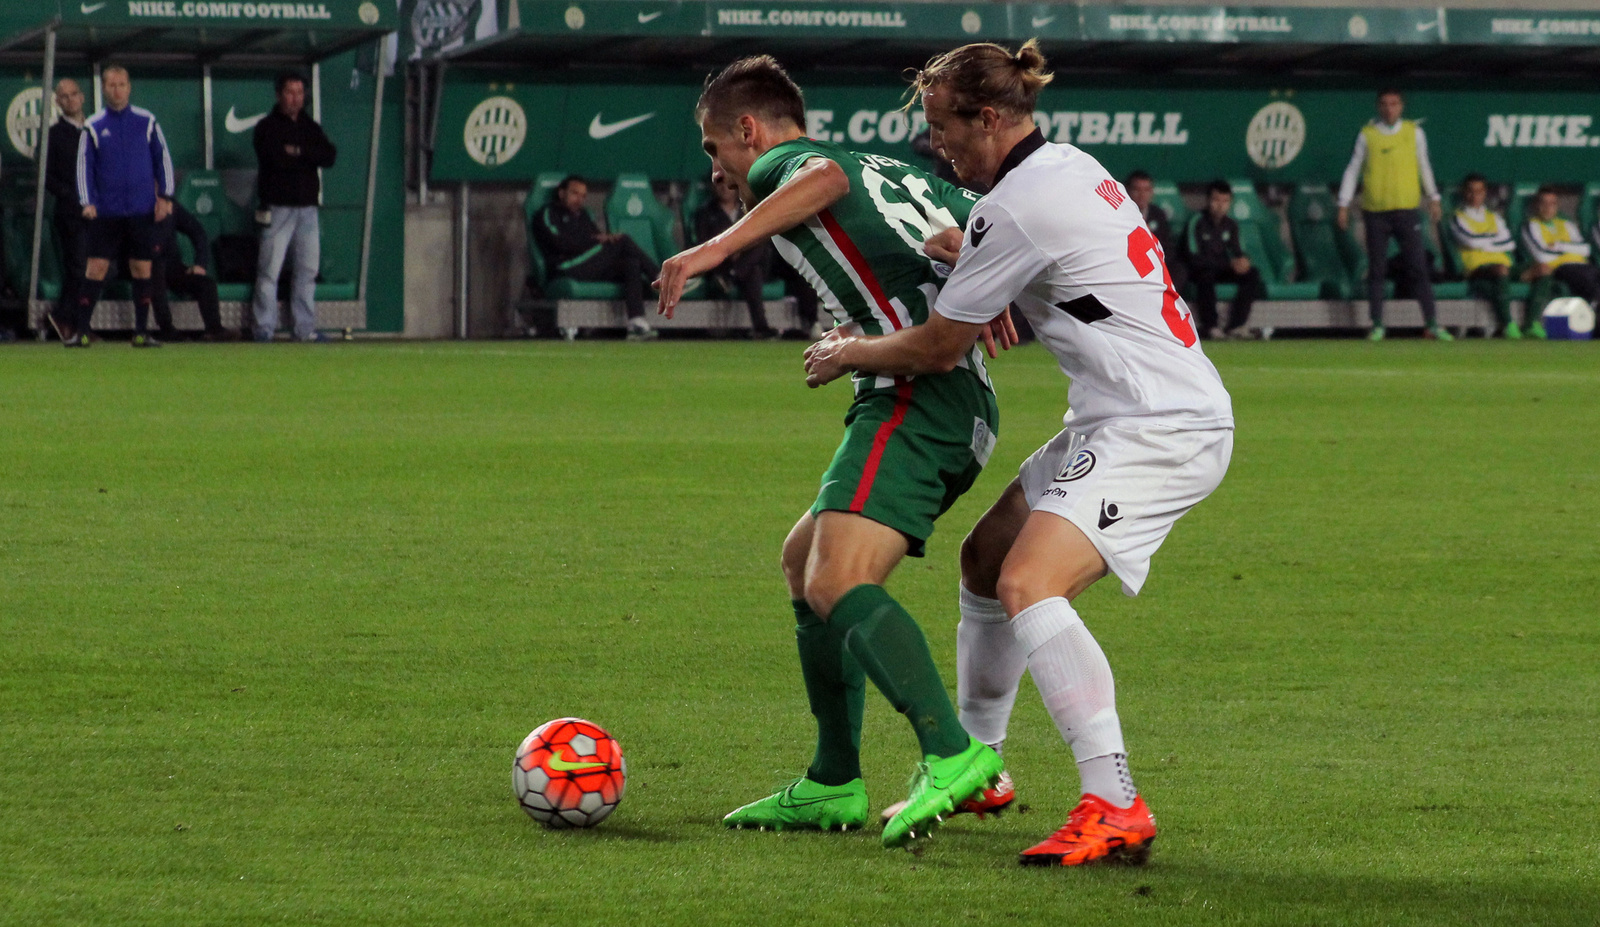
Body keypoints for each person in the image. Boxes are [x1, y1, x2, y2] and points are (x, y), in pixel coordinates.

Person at [805, 39, 1234, 868]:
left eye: (943, 128)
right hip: (1120, 413)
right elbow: (1077, 272)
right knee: (986, 557)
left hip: (1161, 424)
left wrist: (848, 352)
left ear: (990, 118)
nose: (936, 146)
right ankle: (980, 764)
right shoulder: (1066, 169)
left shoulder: (1013, 207)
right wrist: (973, 257)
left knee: (1028, 581)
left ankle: (1114, 800)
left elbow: (935, 349)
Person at [654, 54, 1014, 848]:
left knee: (837, 575)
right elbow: (984, 230)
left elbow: (819, 181)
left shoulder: (790, 160)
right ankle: (832, 779)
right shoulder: (891, 165)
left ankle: (955, 752)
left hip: (921, 394)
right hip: (949, 396)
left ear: (748, 130)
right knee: (803, 557)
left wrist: (710, 250)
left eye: (718, 151)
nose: (722, 169)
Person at [71, 65, 175, 349]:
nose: (117, 90)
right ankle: (81, 331)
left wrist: (165, 197)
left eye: (122, 85)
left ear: (129, 88)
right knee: (96, 268)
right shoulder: (93, 125)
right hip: (106, 212)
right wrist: (87, 202)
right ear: (104, 89)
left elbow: (162, 159)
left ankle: (141, 332)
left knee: (142, 269)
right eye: (111, 85)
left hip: (141, 211)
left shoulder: (147, 121)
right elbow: (84, 167)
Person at [1337, 89, 1449, 341]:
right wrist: (1343, 204)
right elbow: (1353, 169)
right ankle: (1377, 323)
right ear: (1378, 107)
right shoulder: (1368, 135)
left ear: (1401, 106)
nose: (1389, 109)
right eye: (1385, 104)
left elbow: (1424, 164)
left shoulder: (1414, 132)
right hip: (1376, 212)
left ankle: (1432, 322)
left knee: (1418, 267)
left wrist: (1434, 198)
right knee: (1377, 270)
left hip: (1407, 211)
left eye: (1394, 104)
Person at [252, 71, 336, 343]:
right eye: (290, 92)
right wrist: (306, 155)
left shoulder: (310, 127)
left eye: (300, 93)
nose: (295, 98)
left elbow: (329, 155)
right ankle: (264, 328)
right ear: (279, 94)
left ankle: (304, 329)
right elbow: (276, 159)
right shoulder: (267, 127)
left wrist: (298, 151)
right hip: (278, 208)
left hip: (308, 209)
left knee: (307, 271)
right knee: (269, 271)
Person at [531, 176, 659, 341]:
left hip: (587, 265)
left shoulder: (584, 215)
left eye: (583, 196)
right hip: (565, 267)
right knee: (623, 241)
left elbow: (595, 239)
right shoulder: (548, 213)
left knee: (631, 263)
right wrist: (596, 241)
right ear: (562, 193)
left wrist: (601, 240)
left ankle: (636, 322)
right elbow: (560, 243)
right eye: (575, 194)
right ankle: (659, 277)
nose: (579, 199)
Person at [692, 180, 777, 339]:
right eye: (719, 183)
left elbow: (758, 239)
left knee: (758, 254)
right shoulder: (704, 213)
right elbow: (702, 246)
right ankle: (761, 327)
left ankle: (733, 276)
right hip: (719, 268)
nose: (724, 188)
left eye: (727, 182)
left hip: (744, 264)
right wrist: (726, 249)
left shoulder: (749, 210)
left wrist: (738, 249)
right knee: (752, 272)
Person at [1449, 174, 1525, 338]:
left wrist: (1483, 239)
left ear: (1484, 193)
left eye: (1479, 191)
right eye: (1470, 191)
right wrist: (1493, 239)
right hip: (1476, 268)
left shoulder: (1494, 217)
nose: (1474, 195)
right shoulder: (1458, 217)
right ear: (1464, 193)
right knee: (1501, 271)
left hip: (1502, 266)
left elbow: (1509, 243)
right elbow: (1471, 241)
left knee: (1542, 269)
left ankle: (1533, 323)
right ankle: (1508, 324)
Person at [1185, 179, 1262, 340]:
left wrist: (1243, 261)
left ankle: (1236, 325)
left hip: (1223, 269)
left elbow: (1239, 251)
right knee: (1205, 276)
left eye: (1225, 201)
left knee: (1252, 274)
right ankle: (1211, 326)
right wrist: (1228, 264)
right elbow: (1193, 257)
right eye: (1216, 200)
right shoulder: (1196, 222)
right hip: (1200, 270)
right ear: (1208, 200)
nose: (1220, 205)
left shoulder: (1231, 225)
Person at [148, 201, 235, 342]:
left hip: (172, 267)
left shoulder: (171, 206)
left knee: (206, 284)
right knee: (156, 273)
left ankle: (214, 330)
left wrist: (200, 263)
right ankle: (166, 329)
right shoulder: (135, 207)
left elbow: (197, 231)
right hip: (142, 267)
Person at [44, 78, 88, 344]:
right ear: (58, 102)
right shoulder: (53, 135)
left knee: (105, 267)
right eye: (64, 96)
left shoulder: (95, 129)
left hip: (102, 213)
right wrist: (72, 197)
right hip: (71, 214)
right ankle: (66, 318)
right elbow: (46, 177)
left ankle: (76, 320)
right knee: (78, 268)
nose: (70, 99)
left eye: (74, 94)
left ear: (82, 97)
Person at [1522, 185, 1600, 318]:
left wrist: (1558, 246)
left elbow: (1585, 249)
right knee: (1588, 280)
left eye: (1552, 204)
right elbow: (1542, 256)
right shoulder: (1532, 225)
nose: (1548, 208)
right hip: (1560, 268)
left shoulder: (1566, 225)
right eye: (1544, 203)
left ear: (1557, 206)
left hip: (1582, 266)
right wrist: (1571, 250)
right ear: (1536, 205)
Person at [1124, 170, 1187, 296]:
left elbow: (1166, 246)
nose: (1142, 195)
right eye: (1137, 190)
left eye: (1146, 190)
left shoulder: (1158, 214)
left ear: (1152, 192)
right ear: (1128, 191)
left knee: (1179, 269)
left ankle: (1167, 303)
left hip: (1157, 262)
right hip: (1130, 263)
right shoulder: (1122, 213)